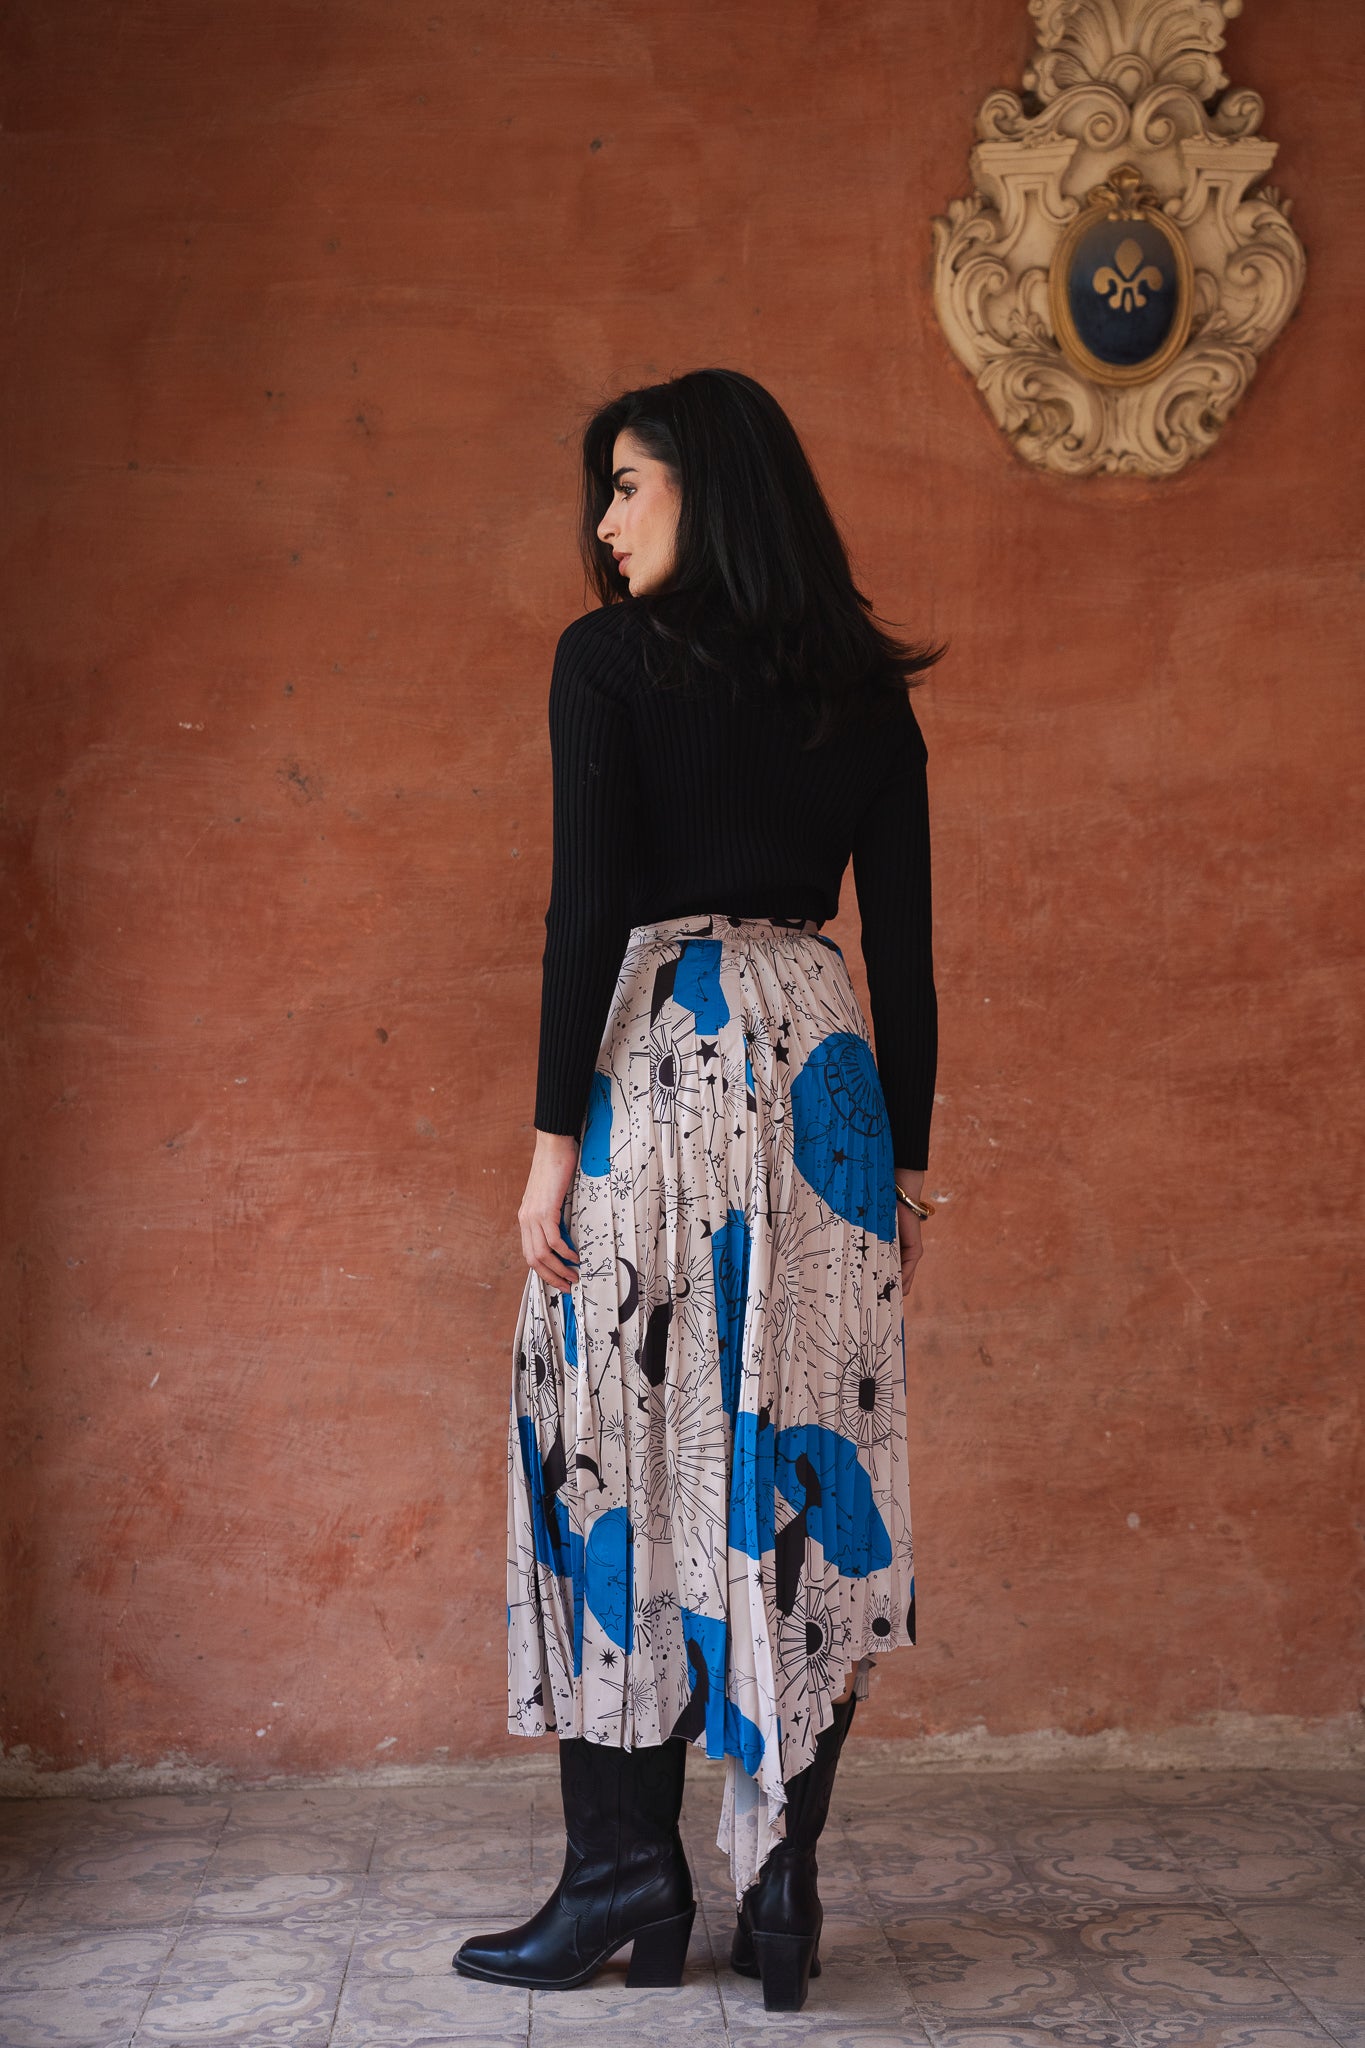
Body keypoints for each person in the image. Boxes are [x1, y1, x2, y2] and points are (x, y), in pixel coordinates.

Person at [454, 367, 941, 2012]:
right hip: (823, 1079)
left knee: (612, 1438)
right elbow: (908, 955)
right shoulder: (862, 688)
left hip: (658, 1066)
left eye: (628, 485)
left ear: (710, 490)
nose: (603, 523)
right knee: (797, 1449)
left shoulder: (608, 662)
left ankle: (623, 1875)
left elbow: (584, 907)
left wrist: (547, 1149)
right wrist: (904, 1172)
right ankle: (780, 1885)